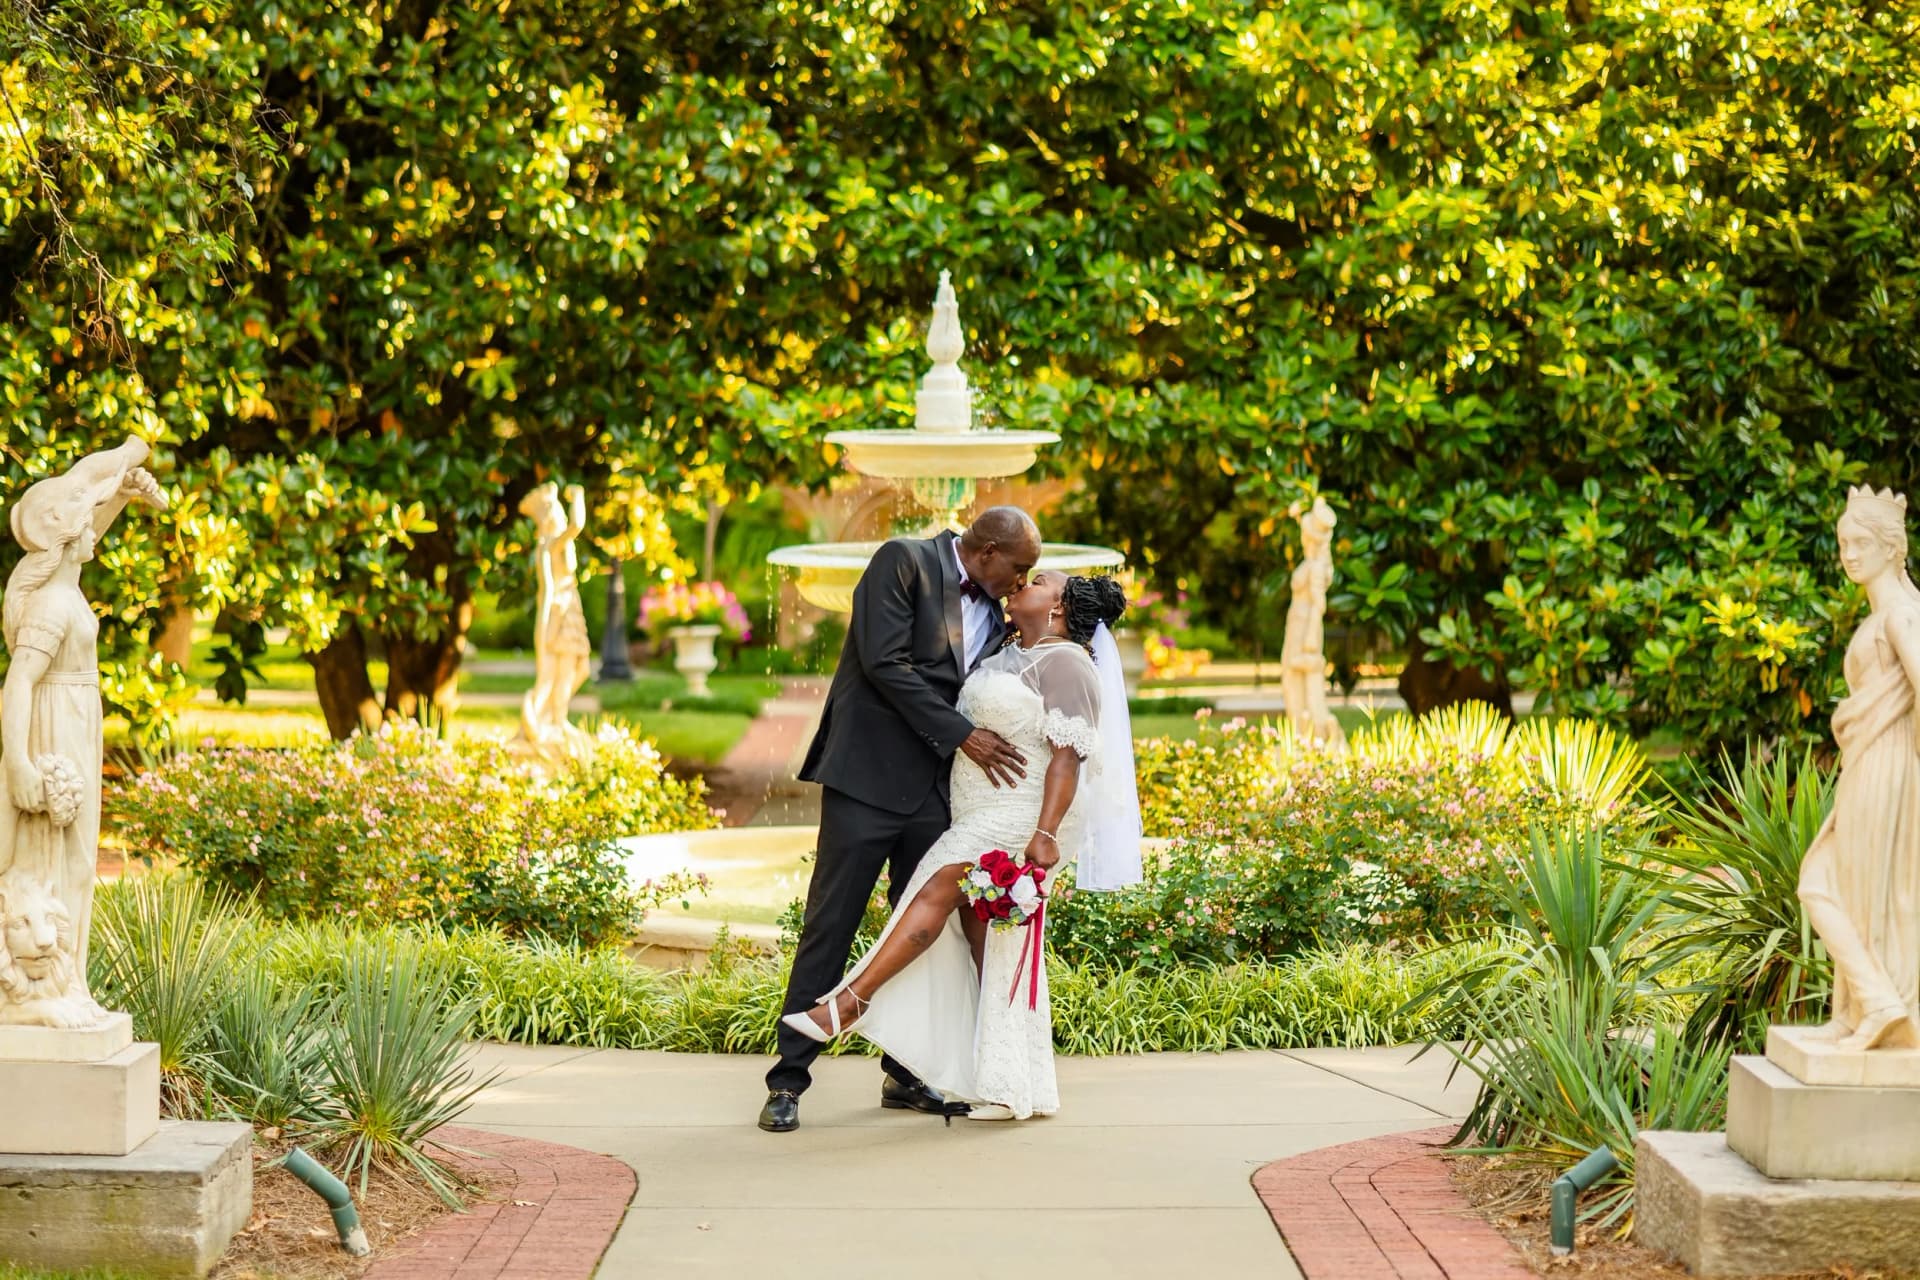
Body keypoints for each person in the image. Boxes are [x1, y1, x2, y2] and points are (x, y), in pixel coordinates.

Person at [780, 571, 1138, 1121]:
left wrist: (1044, 834)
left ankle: (846, 1006)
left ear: (1059, 608)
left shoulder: (1068, 663)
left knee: (932, 889)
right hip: (976, 808)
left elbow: (1068, 761)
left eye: (1039, 580)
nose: (1022, 583)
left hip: (1019, 816)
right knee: (986, 944)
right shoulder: (1009, 650)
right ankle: (1006, 1083)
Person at [759, 506, 1042, 1133]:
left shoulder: (999, 615)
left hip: (938, 797)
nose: (1022, 581)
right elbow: (885, 663)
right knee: (830, 925)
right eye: (1019, 567)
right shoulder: (902, 561)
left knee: (922, 936)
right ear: (988, 552)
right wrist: (963, 735)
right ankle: (787, 1081)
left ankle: (906, 1074)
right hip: (865, 781)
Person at [1798, 485, 1920, 1051]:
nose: (1849, 554)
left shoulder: (1900, 615)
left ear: (1892, 548)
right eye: (1844, 543)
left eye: (1860, 543)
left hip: (1887, 759)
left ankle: (1876, 1007)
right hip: (1869, 758)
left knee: (1831, 883)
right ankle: (1857, 1009)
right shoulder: (1884, 614)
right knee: (1842, 883)